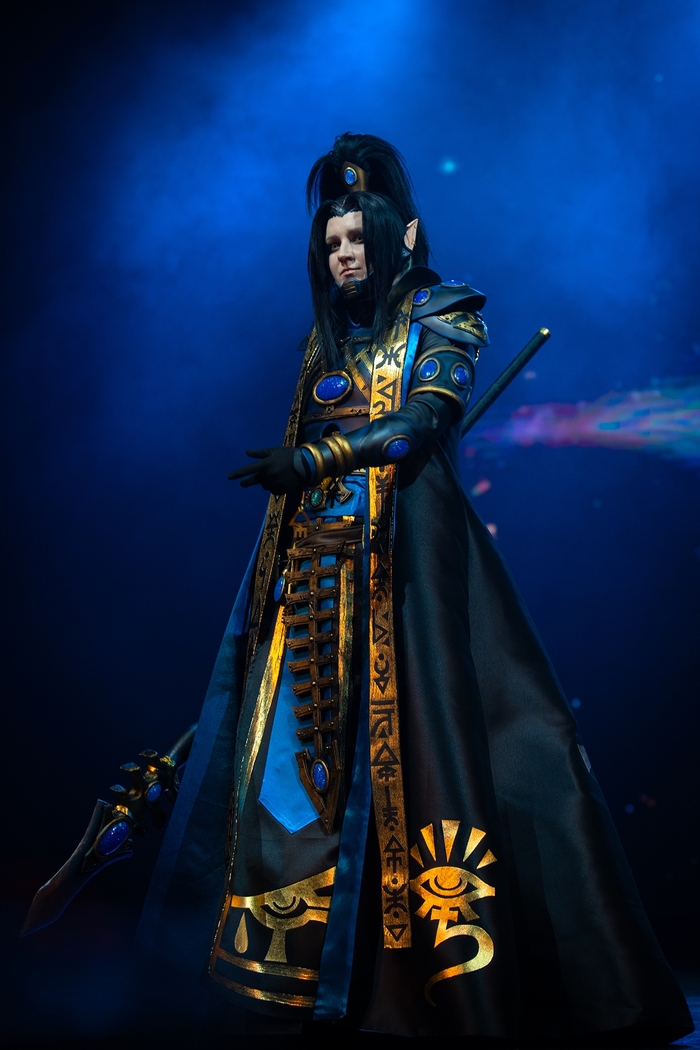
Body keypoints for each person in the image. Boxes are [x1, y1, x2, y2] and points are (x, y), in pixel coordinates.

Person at [136, 134, 693, 1040]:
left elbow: (421, 423)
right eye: (331, 242)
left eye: (358, 236)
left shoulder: (445, 310)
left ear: (403, 234)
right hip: (313, 585)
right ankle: (297, 974)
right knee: (295, 776)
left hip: (405, 585)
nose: (344, 253)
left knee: (427, 765)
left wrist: (314, 458)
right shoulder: (322, 346)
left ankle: (430, 988)